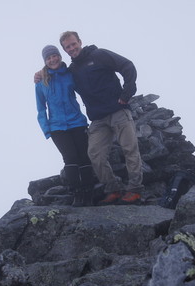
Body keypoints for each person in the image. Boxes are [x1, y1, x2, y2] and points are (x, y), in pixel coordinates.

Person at [57, 31, 143, 205]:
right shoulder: (72, 70)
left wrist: (127, 94)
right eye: (68, 47)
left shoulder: (99, 55)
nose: (72, 48)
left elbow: (127, 66)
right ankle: (113, 189)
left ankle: (134, 189)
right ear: (65, 50)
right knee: (94, 154)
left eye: (74, 44)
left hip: (118, 111)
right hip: (98, 119)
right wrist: (40, 73)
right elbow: (55, 76)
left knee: (130, 149)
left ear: (80, 42)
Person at [35, 45, 94, 207]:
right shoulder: (41, 82)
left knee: (84, 157)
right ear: (45, 61)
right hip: (57, 127)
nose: (52, 59)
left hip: (77, 122)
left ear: (59, 56)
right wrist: (46, 129)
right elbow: (41, 108)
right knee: (70, 158)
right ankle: (77, 194)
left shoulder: (70, 74)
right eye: (48, 58)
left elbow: (85, 91)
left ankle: (89, 193)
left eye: (55, 56)